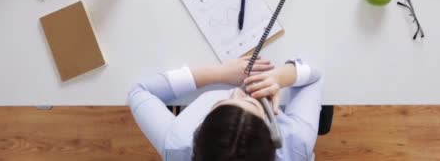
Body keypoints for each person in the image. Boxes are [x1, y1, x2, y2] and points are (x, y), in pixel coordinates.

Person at [128, 56, 323, 160]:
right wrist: (279, 77)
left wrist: (219, 73)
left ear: (198, 131)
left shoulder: (177, 145)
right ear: (273, 134)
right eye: (252, 102)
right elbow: (315, 76)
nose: (239, 91)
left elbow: (140, 91)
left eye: (223, 102)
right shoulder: (297, 143)